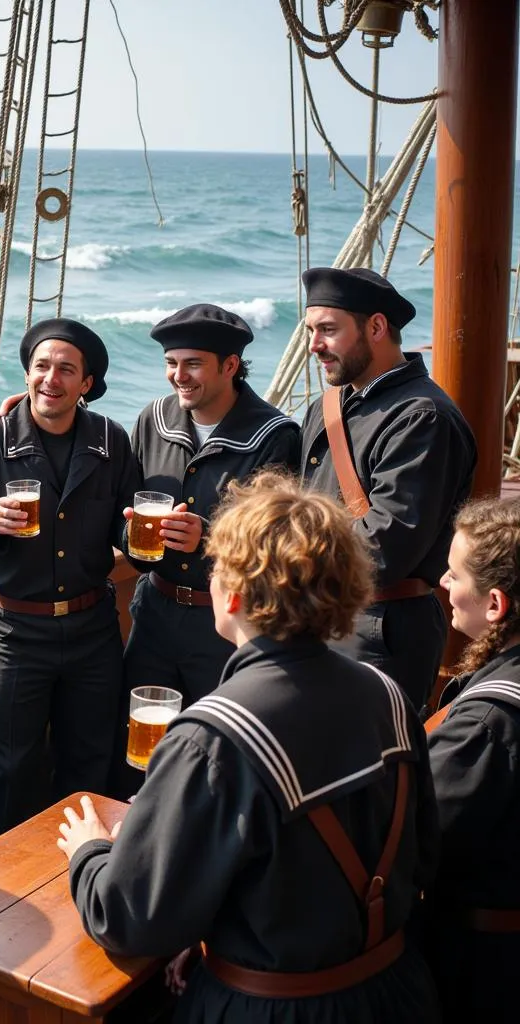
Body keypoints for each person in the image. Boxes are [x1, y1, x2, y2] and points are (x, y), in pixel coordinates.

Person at [57, 472, 440, 1024]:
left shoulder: (214, 739)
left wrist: (90, 852)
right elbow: (422, 855)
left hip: (275, 1009)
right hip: (395, 990)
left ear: (232, 590)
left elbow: (129, 917)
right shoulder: (391, 698)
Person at [0, 317, 140, 839]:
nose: (52, 378)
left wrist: (136, 532)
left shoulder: (111, 441)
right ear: (27, 374)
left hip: (93, 625)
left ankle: (82, 876)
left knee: (90, 758)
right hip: (16, 633)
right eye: (42, 366)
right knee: (11, 766)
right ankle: (5, 888)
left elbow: (124, 520)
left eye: (66, 370)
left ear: (86, 384)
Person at [112, 304, 299, 794]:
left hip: (226, 625)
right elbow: (119, 499)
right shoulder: (152, 419)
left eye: (192, 364)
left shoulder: (275, 435)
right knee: (137, 755)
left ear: (230, 365)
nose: (179, 376)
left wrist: (210, 538)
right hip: (152, 612)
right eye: (171, 363)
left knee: (222, 756)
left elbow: (277, 541)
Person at [300, 266, 476, 710]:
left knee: (369, 774)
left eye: (327, 330)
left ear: (376, 327)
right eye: (310, 331)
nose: (314, 346)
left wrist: (284, 565)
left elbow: (383, 547)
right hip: (319, 612)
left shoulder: (423, 417)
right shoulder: (326, 407)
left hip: (380, 629)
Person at [423, 497, 520, 1020]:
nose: (442, 582)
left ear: (496, 605)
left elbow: (413, 836)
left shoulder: (487, 725)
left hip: (481, 970)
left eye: (455, 573)